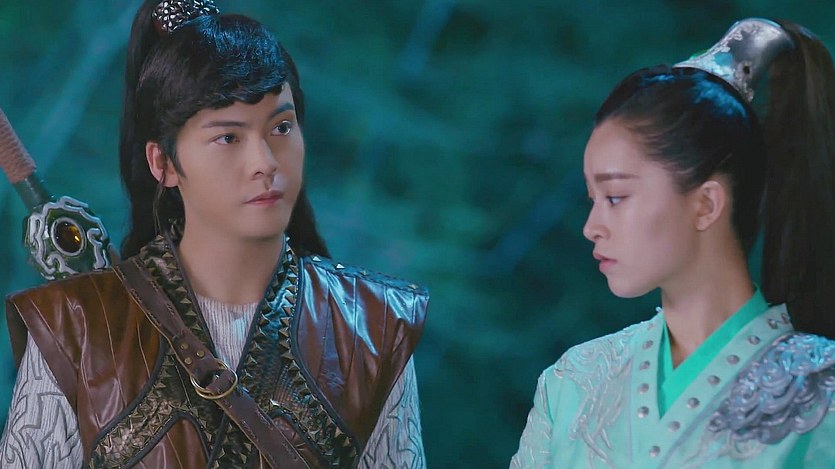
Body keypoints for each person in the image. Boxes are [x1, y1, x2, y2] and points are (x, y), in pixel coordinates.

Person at [0, 1, 428, 467]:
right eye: (228, 137)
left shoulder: (371, 326)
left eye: (282, 127)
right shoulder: (74, 327)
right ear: (163, 163)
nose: (265, 162)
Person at [511, 18, 835, 468]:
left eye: (616, 197)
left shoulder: (821, 393)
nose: (592, 227)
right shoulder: (573, 382)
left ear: (706, 204)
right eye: (592, 199)